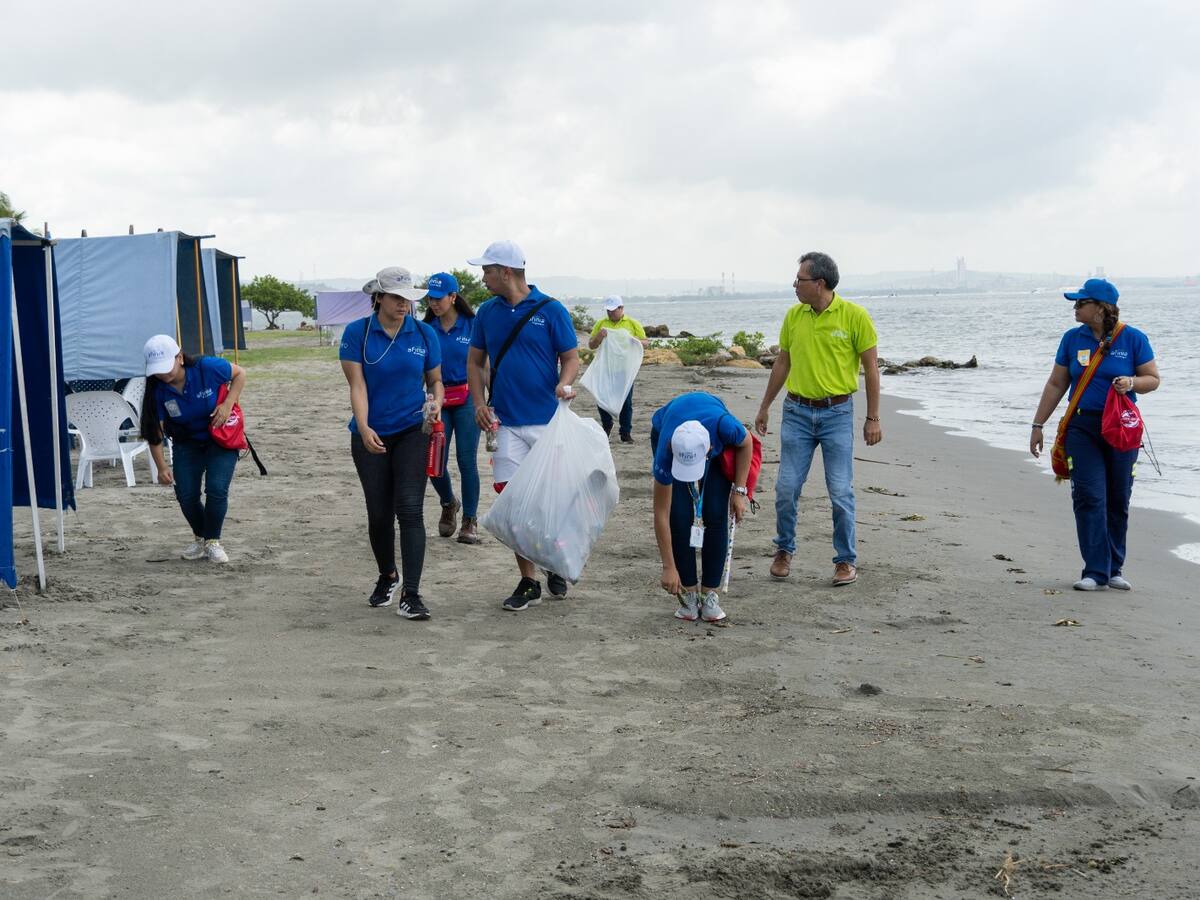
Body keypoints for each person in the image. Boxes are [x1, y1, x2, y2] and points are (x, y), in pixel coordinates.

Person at [464, 240, 580, 611]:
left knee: (549, 501)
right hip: (505, 423)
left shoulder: (551, 310)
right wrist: (479, 404)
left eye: (487, 270)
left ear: (507, 272)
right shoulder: (486, 312)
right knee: (513, 503)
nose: (482, 277)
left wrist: (565, 383)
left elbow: (571, 357)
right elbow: (474, 362)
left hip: (547, 422)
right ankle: (528, 580)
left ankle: (552, 559)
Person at [754, 251, 881, 586]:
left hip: (837, 413)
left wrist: (873, 417)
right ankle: (783, 550)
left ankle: (845, 560)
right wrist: (766, 405)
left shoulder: (855, 316)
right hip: (796, 412)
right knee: (785, 489)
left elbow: (871, 369)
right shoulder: (794, 316)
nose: (794, 284)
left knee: (840, 490)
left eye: (800, 279)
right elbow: (783, 362)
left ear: (820, 283)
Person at [1030, 278, 1159, 591]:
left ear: (1101, 307)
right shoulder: (1072, 339)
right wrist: (1038, 425)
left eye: (1081, 302)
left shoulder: (1133, 338)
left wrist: (1131, 382)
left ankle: (1114, 569)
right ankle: (1094, 571)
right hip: (1082, 427)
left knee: (1118, 497)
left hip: (1121, 428)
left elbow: (1152, 379)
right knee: (1088, 496)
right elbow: (1056, 384)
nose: (1075, 308)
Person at [339, 266, 443, 620]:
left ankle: (411, 594)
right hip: (370, 431)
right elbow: (358, 386)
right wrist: (365, 428)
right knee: (379, 514)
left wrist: (435, 402)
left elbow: (435, 381)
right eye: (397, 298)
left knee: (410, 509)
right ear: (379, 297)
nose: (404, 305)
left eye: (409, 299)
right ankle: (388, 575)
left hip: (414, 430)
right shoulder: (357, 333)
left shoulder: (424, 333)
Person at [140, 334, 247, 564]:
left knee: (216, 489)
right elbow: (154, 432)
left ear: (179, 357)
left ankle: (213, 542)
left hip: (220, 438)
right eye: (157, 370)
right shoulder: (157, 390)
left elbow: (240, 374)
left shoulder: (206, 367)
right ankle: (201, 538)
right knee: (186, 495)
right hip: (186, 442)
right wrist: (161, 467)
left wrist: (228, 404)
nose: (162, 374)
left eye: (166, 367)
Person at [651, 392, 753, 622]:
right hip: (668, 428)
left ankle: (710, 595)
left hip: (712, 438)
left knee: (715, 513)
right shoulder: (665, 452)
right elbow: (661, 514)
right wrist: (668, 567)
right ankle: (689, 593)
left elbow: (746, 444)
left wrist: (739, 492)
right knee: (678, 516)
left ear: (709, 450)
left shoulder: (725, 427)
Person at [422, 272, 482, 544]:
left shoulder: (473, 324)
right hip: (438, 399)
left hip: (468, 397)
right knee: (434, 462)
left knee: (466, 460)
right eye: (430, 299)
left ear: (453, 296)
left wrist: (489, 400)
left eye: (439, 298)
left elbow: (485, 364)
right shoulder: (425, 328)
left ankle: (470, 520)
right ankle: (449, 502)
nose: (434, 303)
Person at [587, 295, 649, 442]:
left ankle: (625, 432)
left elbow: (645, 343)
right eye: (608, 310)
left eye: (613, 310)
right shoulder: (601, 323)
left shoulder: (632, 323)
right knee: (602, 399)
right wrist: (599, 337)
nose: (610, 313)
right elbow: (591, 345)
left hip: (626, 370)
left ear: (621, 308)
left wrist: (633, 340)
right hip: (606, 369)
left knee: (626, 402)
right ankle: (607, 425)